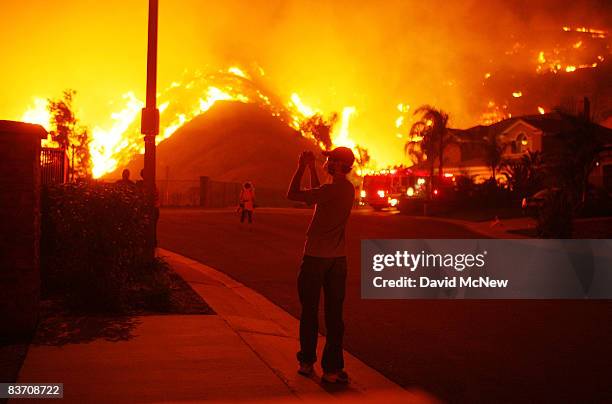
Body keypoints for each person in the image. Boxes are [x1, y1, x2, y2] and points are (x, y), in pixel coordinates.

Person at [286, 147, 355, 384]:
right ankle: (332, 370)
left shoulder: (331, 189)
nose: (326, 162)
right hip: (338, 259)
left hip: (316, 258)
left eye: (330, 160)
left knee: (309, 312)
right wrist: (313, 169)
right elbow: (318, 195)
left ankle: (306, 363)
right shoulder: (345, 188)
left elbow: (293, 194)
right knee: (335, 316)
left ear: (338, 165)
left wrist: (301, 167)